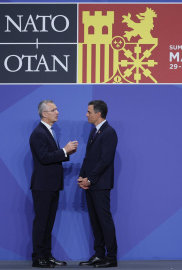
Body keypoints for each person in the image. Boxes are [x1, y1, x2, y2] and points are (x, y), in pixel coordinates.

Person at [30, 100, 78, 268]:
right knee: (42, 222)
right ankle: (38, 257)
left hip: (51, 185)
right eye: (53, 110)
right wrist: (64, 150)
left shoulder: (48, 132)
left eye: (57, 109)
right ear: (44, 114)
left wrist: (66, 152)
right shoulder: (38, 133)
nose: (57, 112)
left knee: (48, 223)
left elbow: (51, 156)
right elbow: (44, 158)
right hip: (42, 186)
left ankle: (47, 255)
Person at [78, 100, 118, 268]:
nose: (86, 114)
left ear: (98, 113)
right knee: (95, 221)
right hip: (91, 183)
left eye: (89, 112)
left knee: (104, 221)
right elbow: (89, 158)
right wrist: (82, 177)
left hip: (100, 184)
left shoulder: (109, 132)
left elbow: (105, 160)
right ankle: (99, 254)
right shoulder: (94, 132)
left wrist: (90, 179)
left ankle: (111, 257)